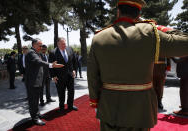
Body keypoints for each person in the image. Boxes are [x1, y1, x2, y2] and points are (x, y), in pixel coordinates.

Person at [87, 0, 188, 131]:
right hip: (140, 111)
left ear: (118, 11)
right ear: (139, 13)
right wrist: (158, 28)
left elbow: (92, 74)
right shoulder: (151, 34)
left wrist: (94, 99)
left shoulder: (99, 37)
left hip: (109, 108)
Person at [25, 38, 64, 126]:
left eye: (42, 45)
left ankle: (37, 114)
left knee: (37, 99)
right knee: (33, 101)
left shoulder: (36, 53)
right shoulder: (31, 53)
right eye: (40, 45)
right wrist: (51, 65)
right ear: (34, 45)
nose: (41, 47)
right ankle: (34, 118)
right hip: (32, 82)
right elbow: (38, 62)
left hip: (38, 81)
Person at [49, 37, 78, 111]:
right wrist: (53, 76)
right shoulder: (53, 52)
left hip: (70, 75)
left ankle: (70, 105)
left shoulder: (70, 49)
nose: (64, 45)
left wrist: (74, 70)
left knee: (71, 91)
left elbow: (74, 61)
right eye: (62, 44)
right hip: (59, 76)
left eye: (65, 43)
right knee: (61, 92)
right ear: (58, 44)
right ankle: (61, 107)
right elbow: (51, 66)